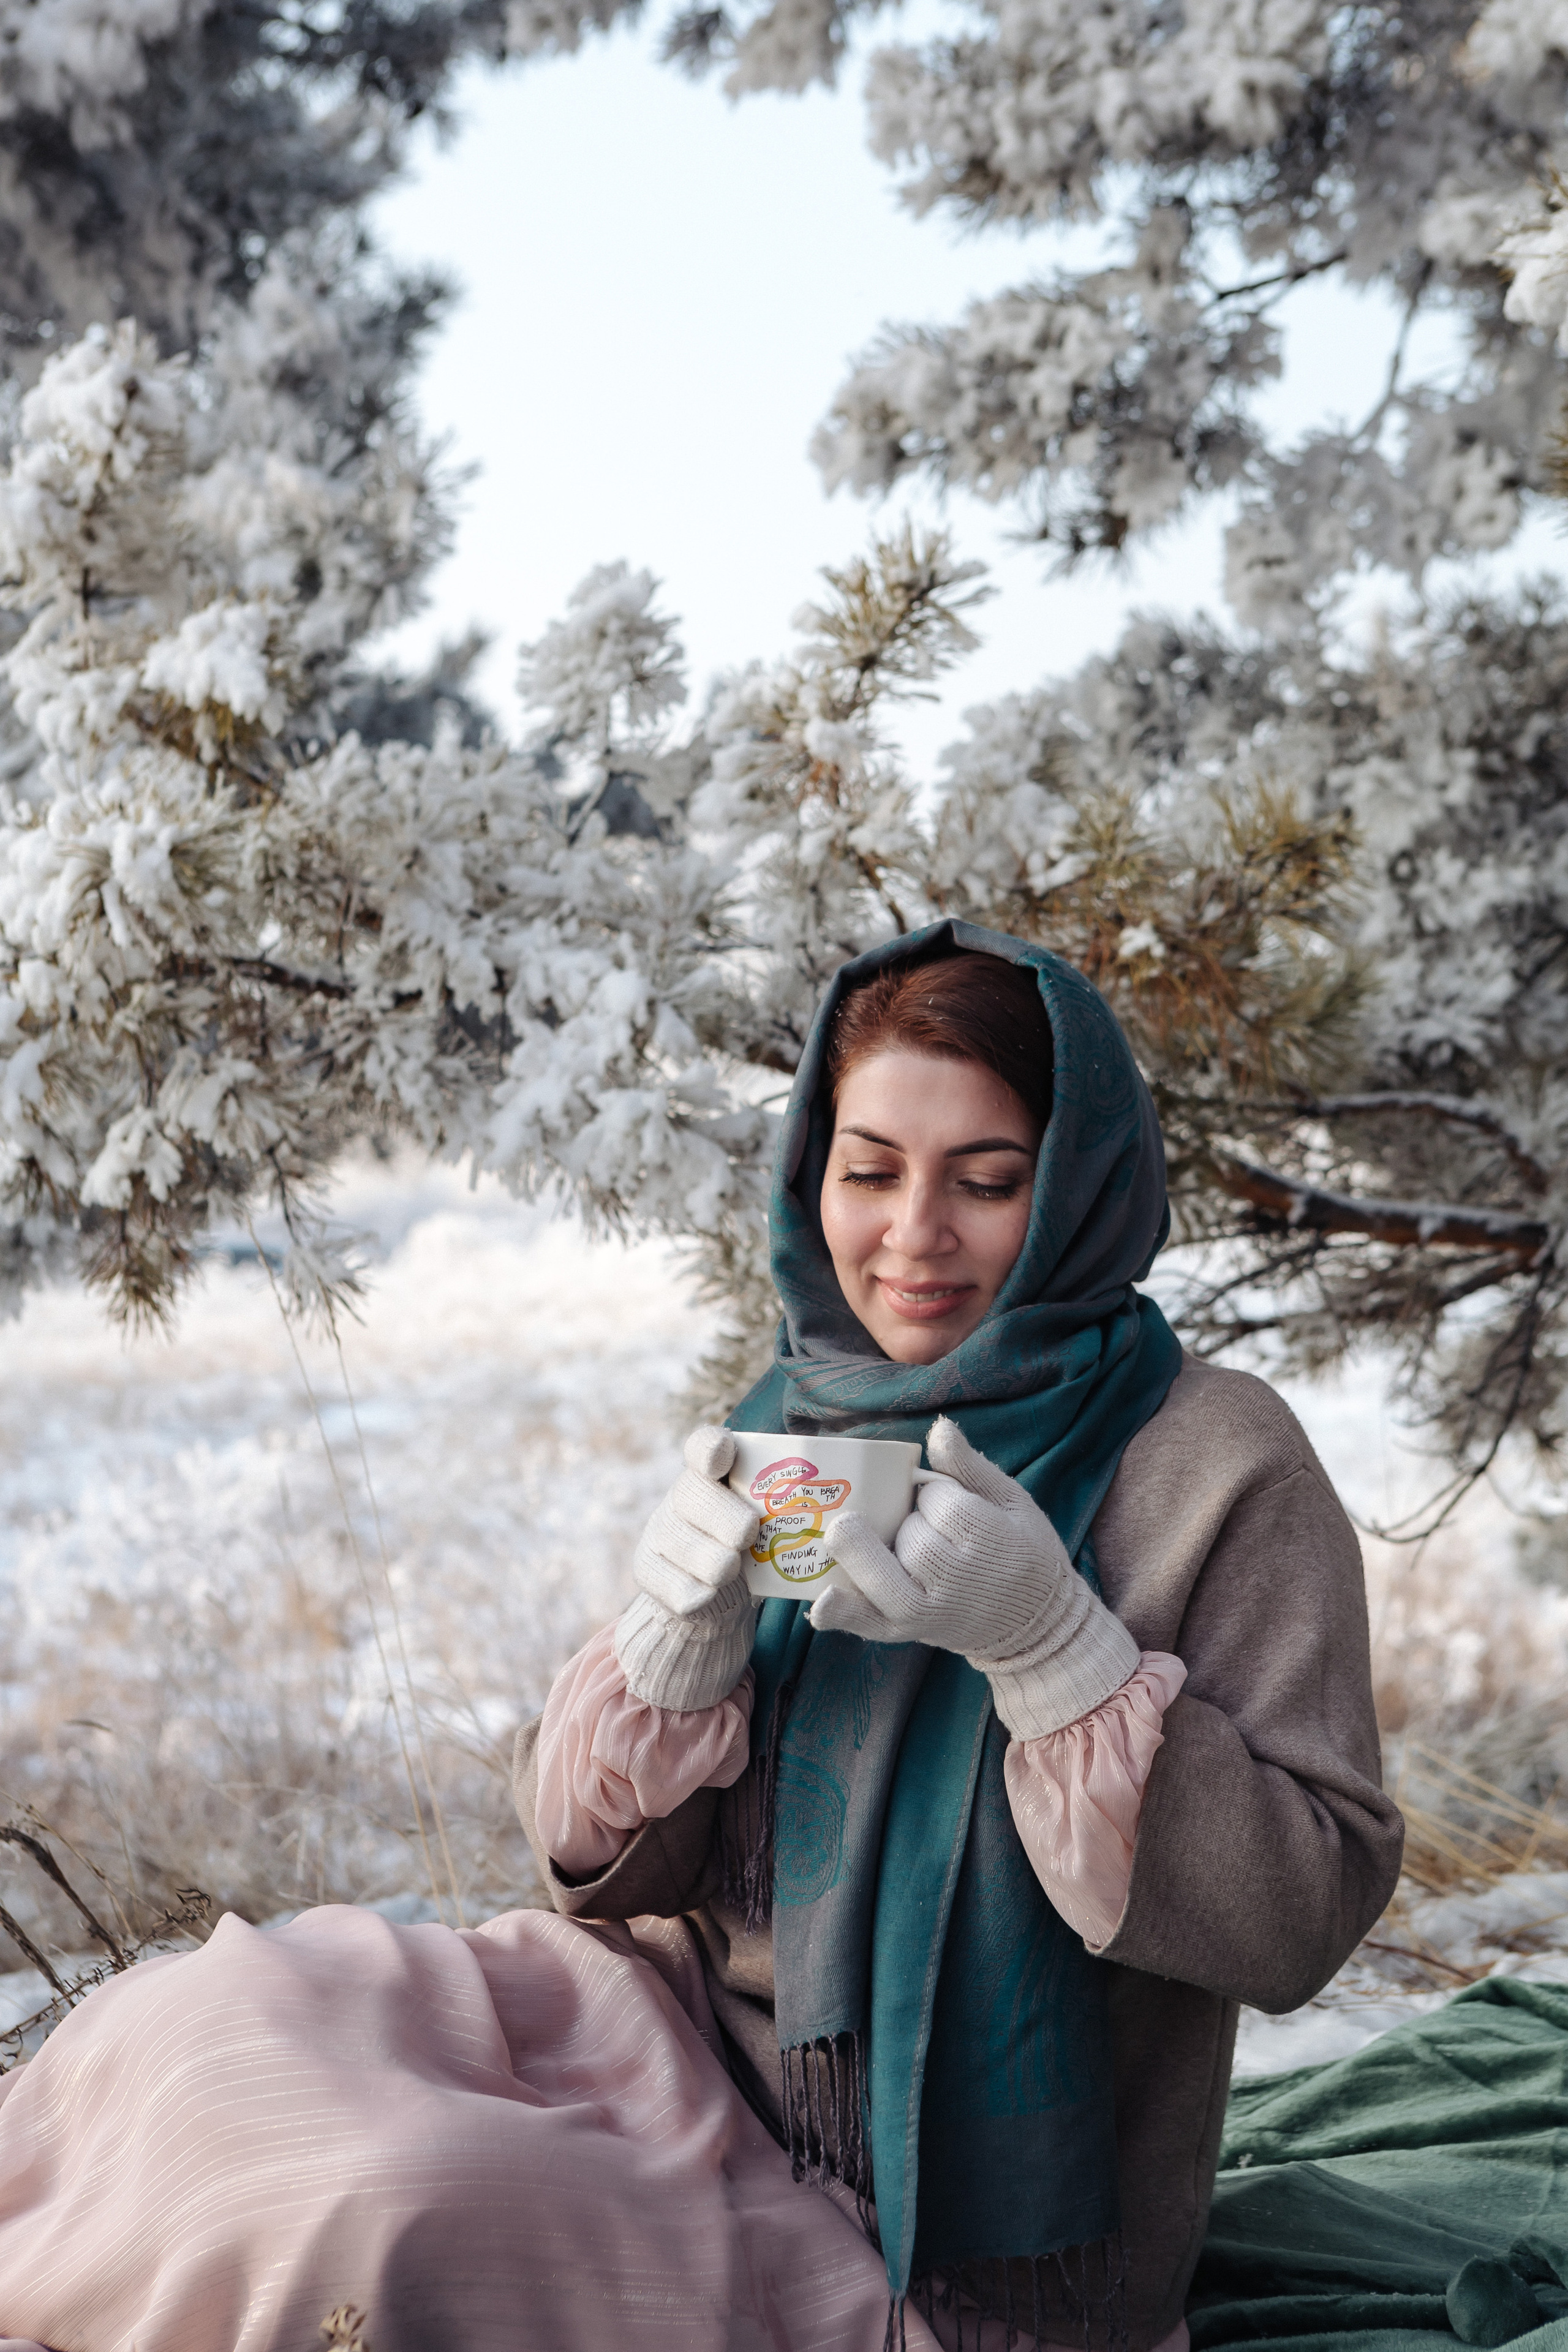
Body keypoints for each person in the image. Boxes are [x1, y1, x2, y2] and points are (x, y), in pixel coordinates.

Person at [0, 922, 1401, 2352]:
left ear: (1075, 1193)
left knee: (377, 2201)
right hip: (659, 2032)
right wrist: (671, 1664)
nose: (912, 1235)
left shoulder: (1218, 1463)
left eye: (986, 1181)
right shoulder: (798, 1410)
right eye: (868, 1172)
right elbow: (613, 1890)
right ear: (814, 1179)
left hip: (936, 2222)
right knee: (203, 2027)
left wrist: (1054, 1653)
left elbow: (1301, 1915)